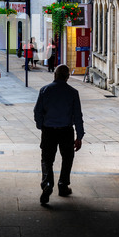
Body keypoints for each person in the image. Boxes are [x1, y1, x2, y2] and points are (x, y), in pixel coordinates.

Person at [34, 64, 85, 205]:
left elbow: (37, 111)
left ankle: (47, 184)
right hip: (66, 131)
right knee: (67, 158)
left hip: (48, 130)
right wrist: (79, 136)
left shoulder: (45, 90)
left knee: (47, 159)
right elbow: (77, 116)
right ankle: (63, 185)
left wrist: (41, 125)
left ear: (54, 75)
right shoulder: (73, 93)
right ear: (68, 77)